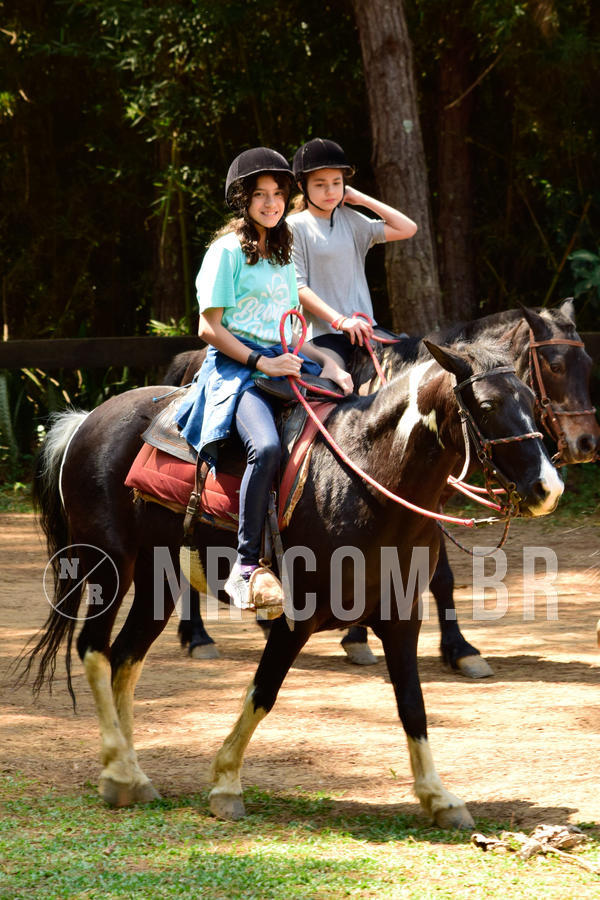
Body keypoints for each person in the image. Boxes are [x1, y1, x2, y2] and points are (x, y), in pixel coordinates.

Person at [174, 147, 348, 615]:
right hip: (239, 370)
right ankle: (246, 566)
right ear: (243, 200)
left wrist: (327, 362)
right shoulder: (225, 252)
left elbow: (292, 327)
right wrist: (260, 362)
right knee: (267, 448)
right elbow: (208, 328)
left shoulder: (283, 252)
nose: (271, 203)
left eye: (277, 194)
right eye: (260, 195)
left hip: (286, 361)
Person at [287, 138, 418, 380]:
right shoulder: (294, 227)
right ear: (301, 186)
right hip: (321, 335)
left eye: (337, 183)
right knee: (332, 391)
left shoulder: (351, 219)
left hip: (365, 329)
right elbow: (297, 287)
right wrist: (340, 321)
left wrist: (363, 200)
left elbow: (408, 228)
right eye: (320, 184)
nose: (330, 191)